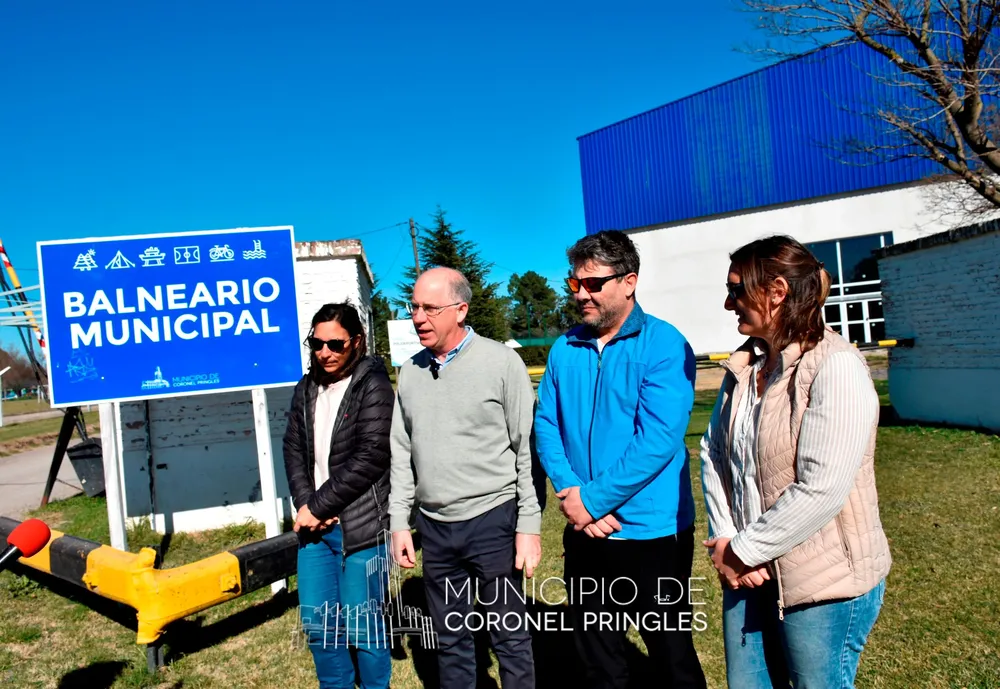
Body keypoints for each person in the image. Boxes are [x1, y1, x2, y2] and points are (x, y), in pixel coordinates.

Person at [700, 235, 891, 688]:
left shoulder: (835, 367)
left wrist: (743, 551)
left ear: (776, 292)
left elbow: (821, 489)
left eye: (736, 290)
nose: (728, 304)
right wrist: (726, 539)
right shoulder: (746, 367)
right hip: (747, 574)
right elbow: (713, 452)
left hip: (821, 585)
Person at [534, 230, 707, 689]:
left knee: (672, 656)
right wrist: (572, 493)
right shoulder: (564, 347)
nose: (581, 294)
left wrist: (591, 501)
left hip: (652, 533)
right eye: (575, 283)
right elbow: (546, 424)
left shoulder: (664, 344)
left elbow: (658, 440)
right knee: (598, 658)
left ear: (629, 281)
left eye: (594, 284)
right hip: (585, 530)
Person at [389, 266, 541, 689]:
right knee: (450, 639)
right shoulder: (410, 371)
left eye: (430, 308)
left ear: (460, 310)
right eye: (414, 307)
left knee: (509, 638)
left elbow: (527, 449)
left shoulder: (502, 363)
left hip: (493, 520)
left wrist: (529, 525)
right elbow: (401, 451)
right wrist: (399, 522)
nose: (418, 317)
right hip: (435, 528)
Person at [283, 303, 394, 689]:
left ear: (356, 342)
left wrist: (318, 506)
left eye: (335, 344)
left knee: (364, 627)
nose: (325, 352)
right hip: (315, 530)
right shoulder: (306, 388)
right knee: (319, 627)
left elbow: (371, 456)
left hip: (361, 528)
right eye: (317, 344)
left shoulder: (373, 385)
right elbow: (293, 449)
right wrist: (306, 505)